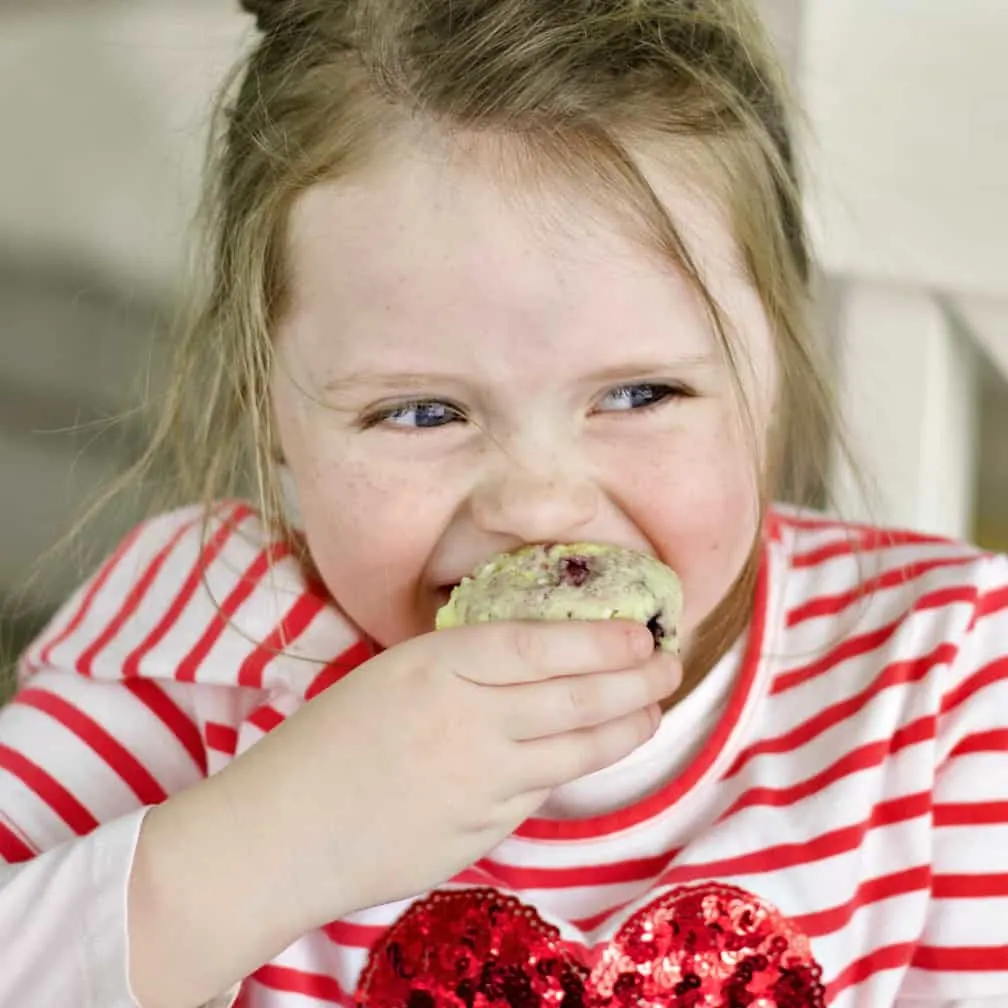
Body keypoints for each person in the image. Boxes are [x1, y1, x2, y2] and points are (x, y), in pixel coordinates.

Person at [2, 0, 1006, 1005]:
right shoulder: (198, 652)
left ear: (776, 364)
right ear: (271, 409)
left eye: (639, 394)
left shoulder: (943, 680)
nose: (539, 507)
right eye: (423, 412)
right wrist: (266, 842)